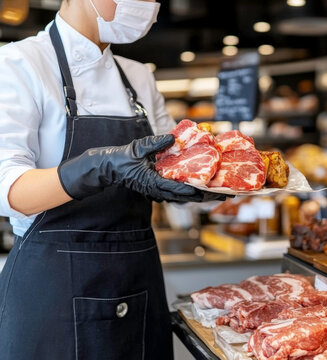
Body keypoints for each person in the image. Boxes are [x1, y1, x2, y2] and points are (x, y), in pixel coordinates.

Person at [0, 0, 218, 358]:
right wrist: (97, 166)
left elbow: (170, 165)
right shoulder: (20, 64)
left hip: (138, 278)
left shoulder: (139, 76)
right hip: (52, 290)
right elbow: (8, 189)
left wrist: (199, 185)